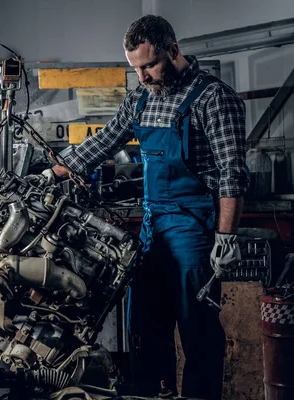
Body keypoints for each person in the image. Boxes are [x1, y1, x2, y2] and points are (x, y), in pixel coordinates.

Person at [41, 15, 248, 400]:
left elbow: (233, 174)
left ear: (173, 51)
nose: (143, 76)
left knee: (197, 330)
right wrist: (53, 174)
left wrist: (225, 237)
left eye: (149, 65)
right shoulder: (139, 100)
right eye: (135, 68)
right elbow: (102, 143)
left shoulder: (213, 99)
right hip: (153, 228)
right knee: (145, 327)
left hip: (193, 232)